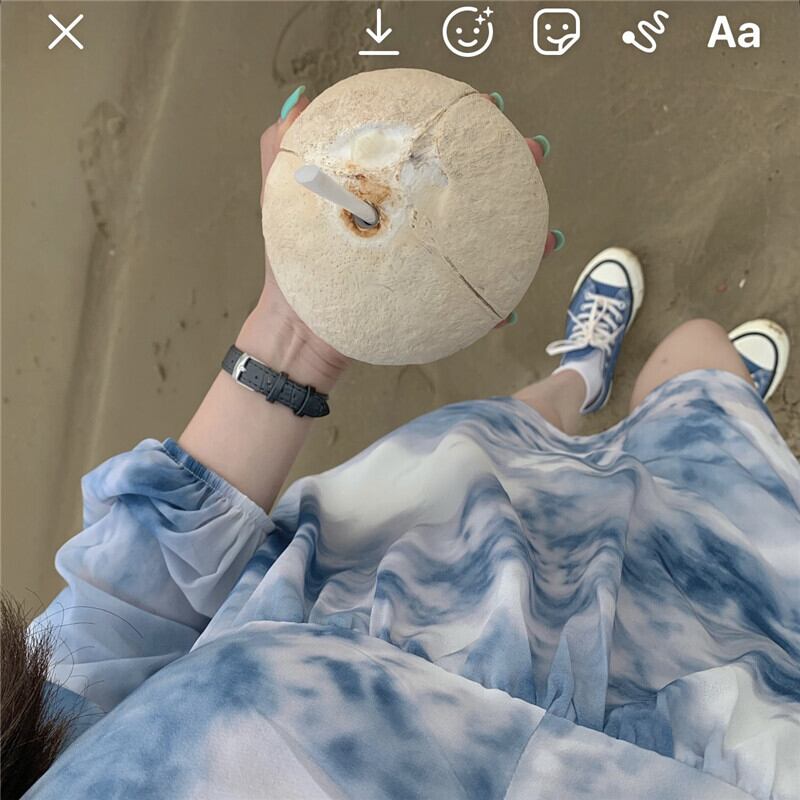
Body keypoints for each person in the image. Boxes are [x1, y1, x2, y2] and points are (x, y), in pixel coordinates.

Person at [5, 88, 798, 800]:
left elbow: (112, 624)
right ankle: (666, 408)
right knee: (697, 364)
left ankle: (578, 382)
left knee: (498, 439)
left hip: (408, 568)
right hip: (690, 682)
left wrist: (294, 334)